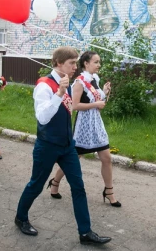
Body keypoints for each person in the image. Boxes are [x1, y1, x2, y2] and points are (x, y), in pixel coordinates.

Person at [14, 47, 111, 245]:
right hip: (47, 144)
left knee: (78, 186)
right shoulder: (44, 85)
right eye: (72, 63)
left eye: (76, 63)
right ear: (58, 63)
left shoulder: (68, 82)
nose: (76, 67)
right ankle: (21, 217)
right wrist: (58, 93)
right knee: (36, 185)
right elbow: (42, 117)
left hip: (67, 145)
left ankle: (85, 232)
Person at [48, 51, 120, 206]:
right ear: (86, 64)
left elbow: (97, 102)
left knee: (106, 158)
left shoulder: (95, 79)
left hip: (96, 124)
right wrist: (96, 104)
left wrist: (105, 93)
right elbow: (75, 105)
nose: (99, 65)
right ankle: (54, 182)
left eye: (99, 62)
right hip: (83, 127)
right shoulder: (80, 82)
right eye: (96, 62)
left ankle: (109, 191)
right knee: (74, 159)